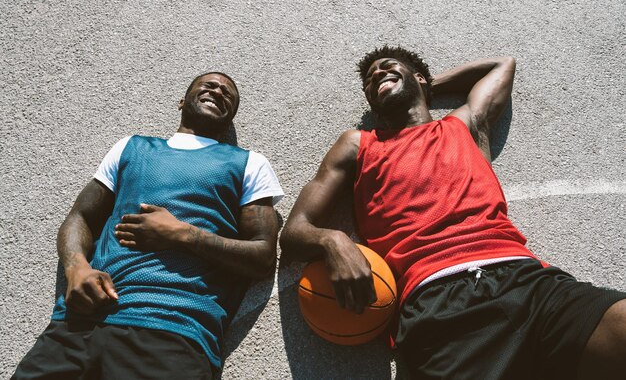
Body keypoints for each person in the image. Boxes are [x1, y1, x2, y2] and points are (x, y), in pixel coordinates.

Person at [280, 46, 626, 380]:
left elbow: (503, 64)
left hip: (524, 281)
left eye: (386, 67)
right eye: (370, 82)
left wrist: (421, 85)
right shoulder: (358, 143)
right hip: (435, 306)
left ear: (419, 77)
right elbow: (294, 232)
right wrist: (332, 240)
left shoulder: (464, 123)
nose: (376, 76)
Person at [12, 72, 284, 380]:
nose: (218, 90)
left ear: (230, 117)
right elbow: (80, 217)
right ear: (182, 102)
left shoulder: (249, 163)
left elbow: (262, 257)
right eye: (208, 85)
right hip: (78, 324)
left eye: (228, 94)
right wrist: (76, 269)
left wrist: (183, 234)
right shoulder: (132, 147)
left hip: (173, 333)